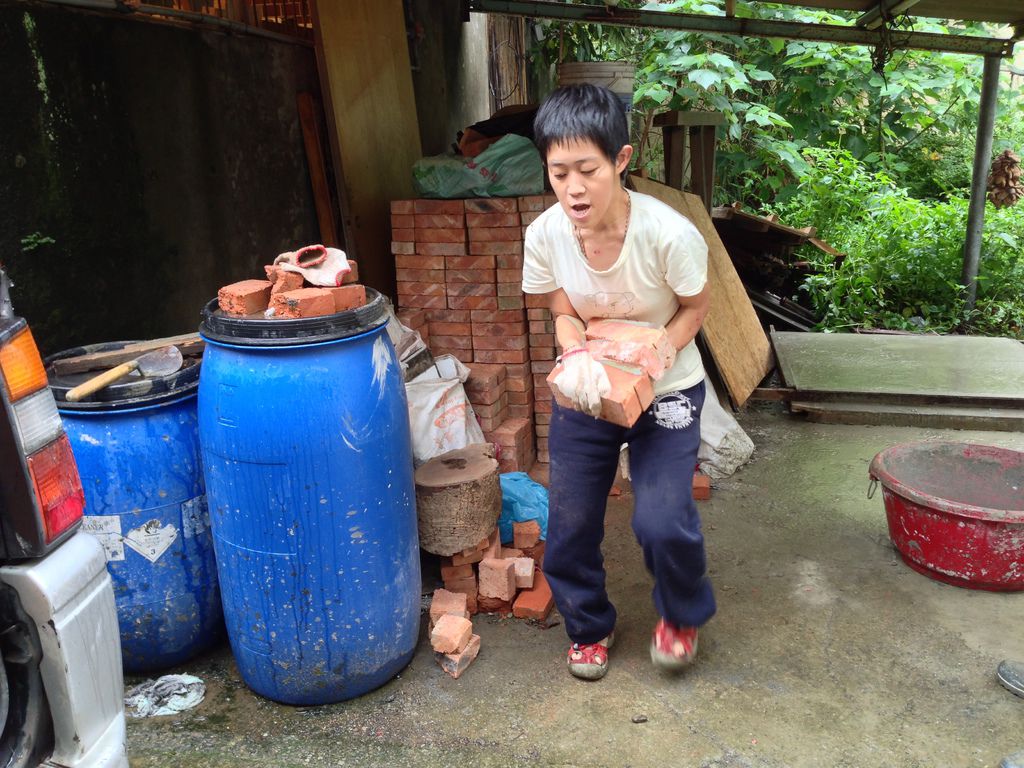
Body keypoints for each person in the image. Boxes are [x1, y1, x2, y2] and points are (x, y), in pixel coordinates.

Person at [521, 83, 714, 680]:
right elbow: (561, 308)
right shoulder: (545, 234)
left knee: (662, 518)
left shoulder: (669, 234)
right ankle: (588, 625)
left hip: (668, 389)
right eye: (559, 173)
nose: (573, 189)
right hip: (589, 388)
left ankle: (680, 614)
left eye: (588, 170)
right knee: (570, 520)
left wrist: (660, 349)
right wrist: (575, 351)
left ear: (621, 159)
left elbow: (696, 307)